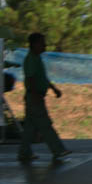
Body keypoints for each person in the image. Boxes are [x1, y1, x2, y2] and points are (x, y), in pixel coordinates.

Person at [18, 32, 71, 163]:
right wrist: (35, 95)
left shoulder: (37, 58)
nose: (44, 45)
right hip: (34, 96)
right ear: (34, 44)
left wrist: (53, 88)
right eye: (42, 43)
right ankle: (58, 150)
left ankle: (24, 152)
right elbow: (30, 79)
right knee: (45, 124)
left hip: (35, 96)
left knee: (29, 127)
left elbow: (42, 78)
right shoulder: (30, 59)